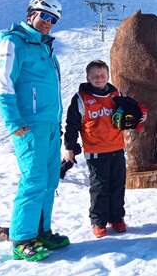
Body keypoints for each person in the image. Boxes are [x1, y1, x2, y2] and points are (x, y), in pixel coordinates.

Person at [0, 0, 69, 261]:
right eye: (45, 16)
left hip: (49, 125)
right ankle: (22, 239)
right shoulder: (14, 43)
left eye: (53, 19)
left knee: (49, 180)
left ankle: (41, 231)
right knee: (34, 180)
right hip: (29, 126)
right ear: (31, 14)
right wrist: (14, 122)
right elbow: (3, 85)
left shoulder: (45, 47)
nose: (49, 22)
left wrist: (57, 124)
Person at [62, 60, 147, 238]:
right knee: (100, 188)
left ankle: (116, 218)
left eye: (102, 75)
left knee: (117, 186)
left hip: (117, 149)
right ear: (88, 77)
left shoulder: (116, 94)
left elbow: (131, 112)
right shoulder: (81, 99)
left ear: (108, 76)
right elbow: (71, 125)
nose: (99, 79)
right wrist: (69, 146)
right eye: (95, 76)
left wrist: (140, 115)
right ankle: (98, 221)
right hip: (95, 152)